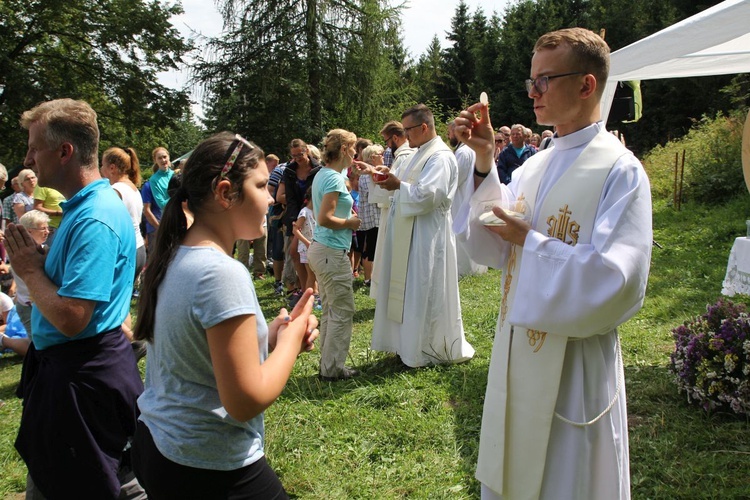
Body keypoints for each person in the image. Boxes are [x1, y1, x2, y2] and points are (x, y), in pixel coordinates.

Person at [454, 27, 653, 500]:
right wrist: (485, 160)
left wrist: (534, 242)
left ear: (587, 85)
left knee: (568, 478)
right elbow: (492, 242)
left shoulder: (620, 170)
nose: (533, 92)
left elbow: (617, 279)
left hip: (574, 359)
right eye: (531, 81)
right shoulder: (536, 164)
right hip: (515, 345)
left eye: (545, 80)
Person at [131, 132, 319, 499]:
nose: (269, 198)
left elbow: (197, 354)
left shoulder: (178, 253)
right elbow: (245, 399)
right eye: (262, 185)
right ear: (224, 193)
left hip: (161, 445)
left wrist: (270, 339)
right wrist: (292, 340)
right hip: (207, 464)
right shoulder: (220, 272)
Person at [5, 98, 143, 499]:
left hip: (82, 381)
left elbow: (73, 316)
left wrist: (30, 270)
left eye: (34, 146)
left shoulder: (94, 217)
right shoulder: (82, 209)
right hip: (75, 374)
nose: (28, 156)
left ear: (64, 151)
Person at [368, 104, 474, 367]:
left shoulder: (440, 156)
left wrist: (398, 185)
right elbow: (408, 184)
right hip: (409, 231)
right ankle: (405, 344)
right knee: (407, 290)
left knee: (423, 289)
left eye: (408, 130)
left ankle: (424, 347)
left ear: (424, 127)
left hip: (427, 235)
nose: (405, 135)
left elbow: (428, 196)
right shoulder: (419, 153)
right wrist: (389, 177)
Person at [308, 129, 361, 381]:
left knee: (331, 309)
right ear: (343, 149)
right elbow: (325, 218)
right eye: (352, 149)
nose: (355, 153)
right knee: (342, 310)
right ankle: (332, 370)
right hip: (330, 250)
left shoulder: (325, 174)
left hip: (322, 250)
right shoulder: (333, 179)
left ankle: (328, 365)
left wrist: (358, 172)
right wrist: (350, 223)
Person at [101, 146, 146, 342]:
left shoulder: (115, 190)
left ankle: (132, 342)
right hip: (138, 248)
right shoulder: (133, 187)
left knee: (113, 303)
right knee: (123, 302)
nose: (100, 169)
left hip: (125, 251)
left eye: (102, 165)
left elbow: (110, 222)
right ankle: (128, 344)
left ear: (111, 168)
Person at [9, 210, 51, 339]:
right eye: (43, 228)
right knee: (37, 344)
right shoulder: (19, 253)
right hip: (29, 306)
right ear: (28, 231)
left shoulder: (44, 249)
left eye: (47, 228)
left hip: (42, 303)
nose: (47, 231)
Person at [292, 187, 318, 305]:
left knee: (315, 272)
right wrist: (307, 242)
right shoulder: (304, 212)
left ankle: (315, 295)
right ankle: (307, 298)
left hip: (315, 246)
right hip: (306, 247)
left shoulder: (317, 211)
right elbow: (295, 230)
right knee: (311, 274)